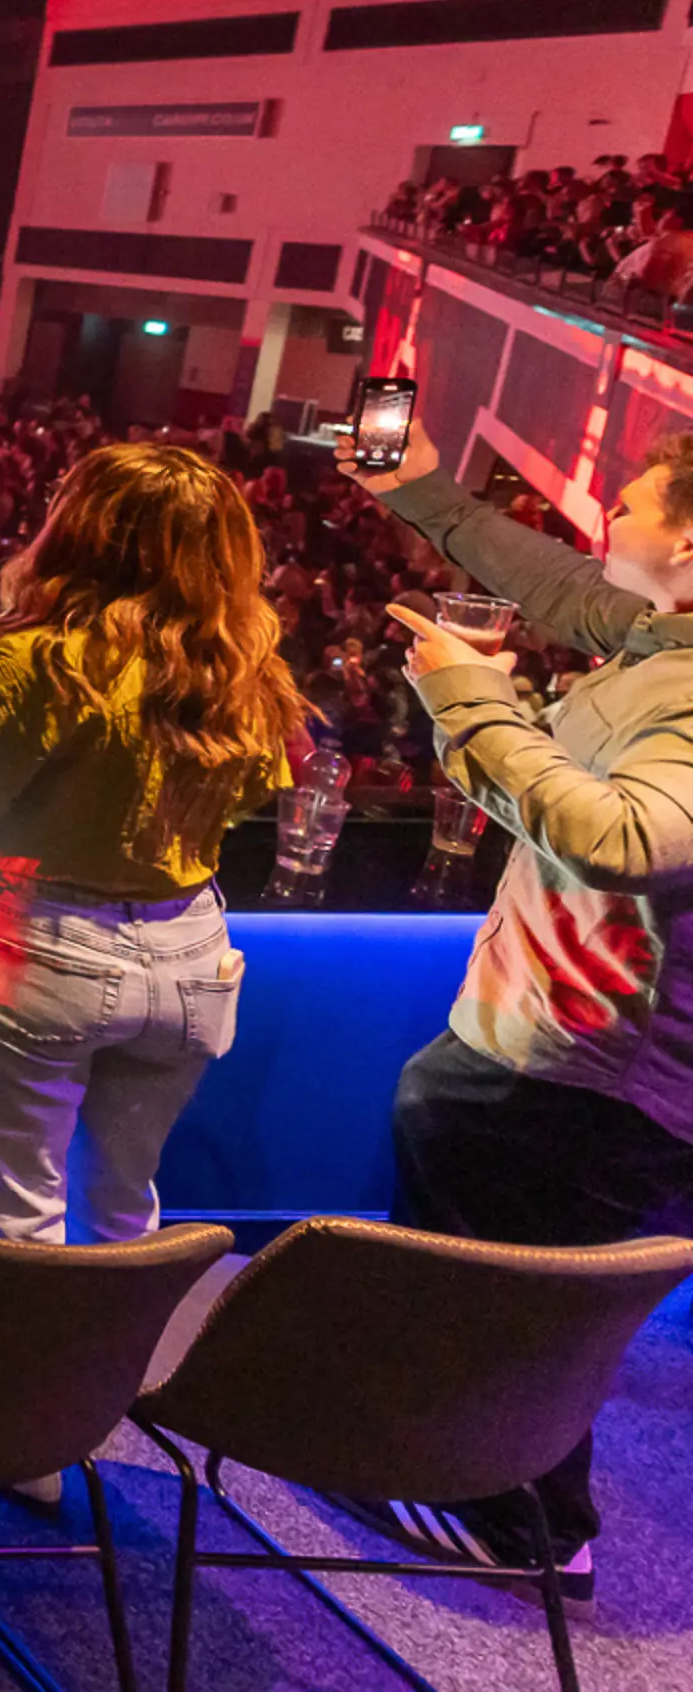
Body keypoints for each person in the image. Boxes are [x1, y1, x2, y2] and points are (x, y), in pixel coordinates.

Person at [331, 411, 693, 1599]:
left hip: (580, 1074)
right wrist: (427, 492)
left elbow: (630, 836)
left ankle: (519, 1524)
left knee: (516, 1307)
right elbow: (559, 582)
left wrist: (475, 704)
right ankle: (480, 1482)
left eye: (633, 506)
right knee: (507, 1292)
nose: (607, 519)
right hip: (557, 1051)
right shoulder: (661, 634)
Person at [0, 443, 295, 1252]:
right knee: (121, 1210)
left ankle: (15, 1381)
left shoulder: (43, 661)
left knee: (13, 1222)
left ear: (79, 531)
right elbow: (254, 790)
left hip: (37, 946)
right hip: (192, 948)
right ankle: (118, 1373)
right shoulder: (245, 669)